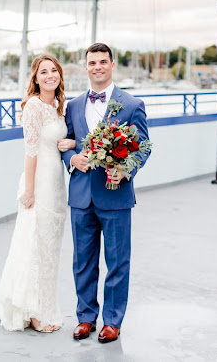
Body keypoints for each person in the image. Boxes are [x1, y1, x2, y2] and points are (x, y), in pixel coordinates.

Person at [59, 43, 150, 343]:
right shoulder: (72, 106)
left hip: (116, 194)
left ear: (112, 65)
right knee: (82, 261)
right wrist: (71, 159)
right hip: (81, 195)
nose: (97, 67)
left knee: (117, 262)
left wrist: (127, 170)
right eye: (92, 62)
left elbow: (143, 148)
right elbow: (67, 143)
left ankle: (112, 321)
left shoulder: (132, 104)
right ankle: (85, 318)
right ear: (85, 67)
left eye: (102, 62)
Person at [0, 54, 76, 333]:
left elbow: (59, 142)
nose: (50, 75)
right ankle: (34, 312)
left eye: (54, 70)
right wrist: (28, 190)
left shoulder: (57, 106)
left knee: (50, 248)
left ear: (60, 76)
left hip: (56, 183)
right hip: (39, 182)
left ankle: (44, 304)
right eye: (44, 72)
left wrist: (72, 142)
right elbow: (30, 152)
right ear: (36, 78)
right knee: (35, 245)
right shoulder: (32, 107)